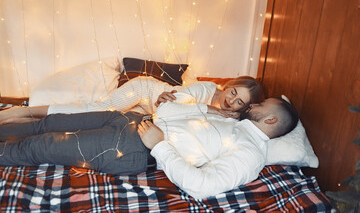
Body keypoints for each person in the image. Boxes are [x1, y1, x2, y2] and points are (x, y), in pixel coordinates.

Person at [0, 96, 298, 199]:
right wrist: (209, 110)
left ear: (270, 119)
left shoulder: (250, 154)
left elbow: (202, 185)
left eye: (259, 105)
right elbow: (171, 116)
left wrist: (160, 146)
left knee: (40, 147)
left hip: (131, 147)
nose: (252, 105)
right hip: (131, 120)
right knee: (49, 123)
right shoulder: (233, 123)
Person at [0, 75, 263, 124]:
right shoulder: (208, 90)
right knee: (98, 109)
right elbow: (170, 105)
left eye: (240, 102)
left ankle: (19, 121)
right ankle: (18, 112)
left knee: (104, 119)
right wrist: (210, 109)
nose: (232, 101)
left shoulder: (233, 116)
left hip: (146, 111)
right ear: (228, 85)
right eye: (233, 92)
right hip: (144, 91)